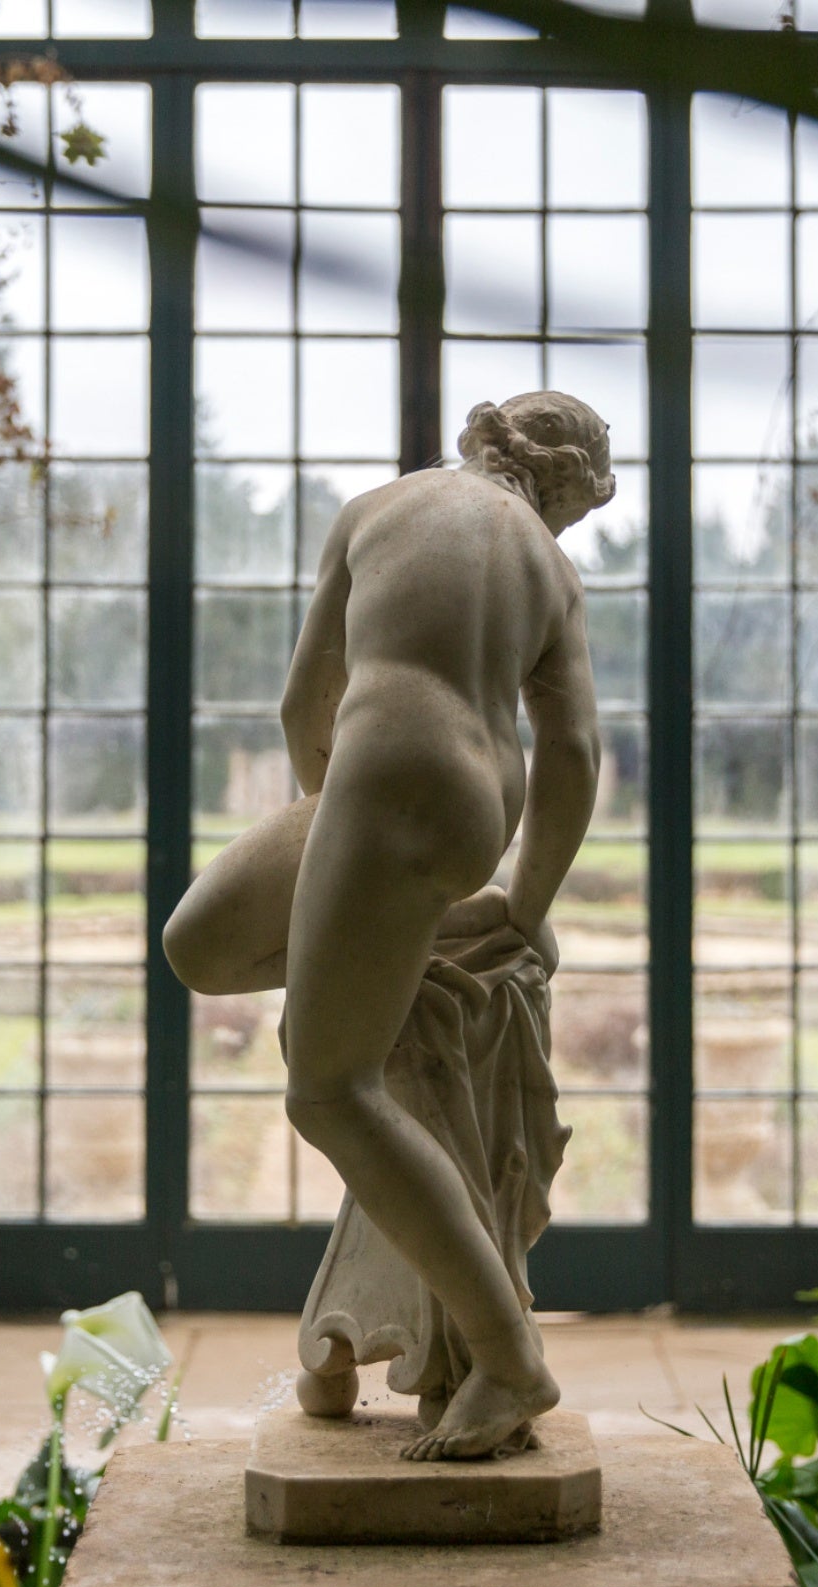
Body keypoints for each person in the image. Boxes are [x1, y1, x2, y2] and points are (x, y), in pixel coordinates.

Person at [163, 390, 611, 1461]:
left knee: (328, 1090)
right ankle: (408, 945)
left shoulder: (377, 507)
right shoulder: (549, 570)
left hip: (384, 782)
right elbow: (574, 755)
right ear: (559, 486)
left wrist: (354, 820)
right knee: (199, 941)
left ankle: (509, 1360)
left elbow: (304, 706)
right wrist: (524, 904)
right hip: (451, 797)